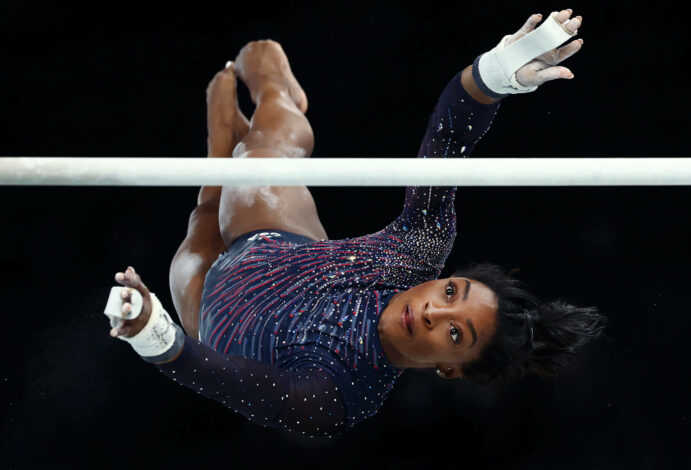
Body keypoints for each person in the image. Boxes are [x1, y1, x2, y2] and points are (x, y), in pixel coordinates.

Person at [107, 8, 607, 438]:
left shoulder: (341, 398)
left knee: (200, 224)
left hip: (215, 319)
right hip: (275, 250)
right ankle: (275, 101)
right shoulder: (417, 250)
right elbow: (449, 135)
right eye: (453, 293)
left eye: (456, 336)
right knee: (257, 160)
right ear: (446, 279)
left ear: (451, 369)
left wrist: (152, 333)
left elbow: (227, 379)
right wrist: (497, 73)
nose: (435, 312)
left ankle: (221, 148)